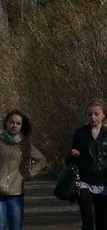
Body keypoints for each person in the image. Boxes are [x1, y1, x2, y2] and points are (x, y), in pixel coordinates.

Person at [0, 110, 42, 230]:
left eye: (18, 123)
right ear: (6, 124)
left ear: (22, 126)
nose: (14, 125)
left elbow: (41, 160)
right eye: (12, 122)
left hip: (16, 195)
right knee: (0, 227)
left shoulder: (25, 144)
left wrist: (29, 173)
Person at [69, 98, 107, 230]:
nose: (93, 117)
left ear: (103, 115)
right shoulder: (80, 133)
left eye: (96, 114)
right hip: (85, 181)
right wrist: (73, 154)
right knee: (87, 219)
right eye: (90, 114)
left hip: (103, 183)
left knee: (102, 220)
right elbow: (69, 160)